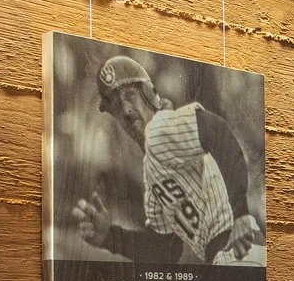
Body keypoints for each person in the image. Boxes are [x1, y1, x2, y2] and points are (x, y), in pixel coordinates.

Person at [69, 55, 262, 267]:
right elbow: (165, 249)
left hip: (237, 245)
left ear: (149, 94)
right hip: (231, 252)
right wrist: (109, 238)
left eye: (130, 95)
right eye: (115, 105)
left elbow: (218, 133)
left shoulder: (160, 127)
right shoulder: (152, 171)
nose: (125, 110)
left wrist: (240, 212)